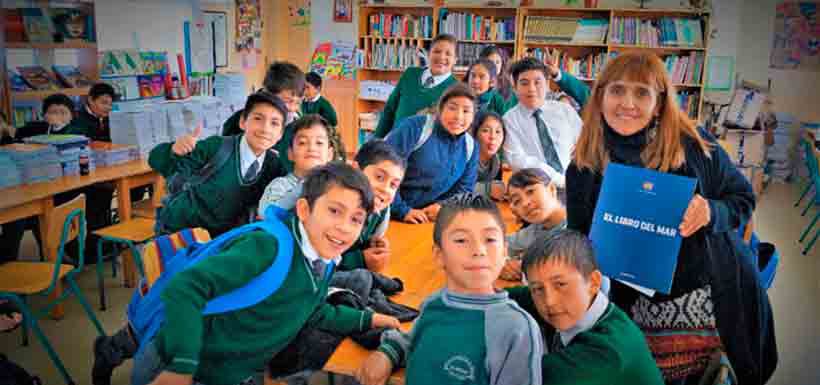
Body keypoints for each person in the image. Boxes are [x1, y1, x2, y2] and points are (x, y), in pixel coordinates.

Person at [566, 52, 777, 385]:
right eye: (617, 90)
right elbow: (577, 238)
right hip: (631, 304)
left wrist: (711, 211)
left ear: (660, 103)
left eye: (642, 93)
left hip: (709, 298)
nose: (627, 103)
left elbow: (742, 198)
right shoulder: (584, 163)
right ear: (601, 95)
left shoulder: (695, 145)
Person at [129, 163, 401, 385]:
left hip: (231, 372)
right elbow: (185, 287)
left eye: (356, 219)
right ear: (304, 210)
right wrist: (181, 367)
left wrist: (369, 319)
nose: (344, 227)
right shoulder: (268, 247)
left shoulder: (323, 258)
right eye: (334, 211)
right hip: (178, 365)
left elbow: (314, 312)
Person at [355, 193, 543, 385]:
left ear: (504, 252)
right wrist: (387, 354)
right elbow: (414, 339)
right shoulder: (433, 305)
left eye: (490, 239)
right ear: (439, 255)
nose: (479, 250)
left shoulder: (516, 329)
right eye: (461, 240)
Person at [506, 229, 664, 385]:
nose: (549, 301)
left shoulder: (608, 350)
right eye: (538, 289)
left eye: (560, 284)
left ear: (594, 282)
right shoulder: (578, 306)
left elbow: (518, 378)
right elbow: (505, 296)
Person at [149, 91, 288, 236]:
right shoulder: (217, 147)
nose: (265, 129)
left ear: (280, 134)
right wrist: (174, 150)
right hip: (182, 233)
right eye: (258, 118)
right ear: (242, 122)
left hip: (222, 240)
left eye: (274, 123)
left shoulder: (274, 165)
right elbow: (156, 160)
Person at [385, 83, 478, 224]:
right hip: (388, 213)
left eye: (466, 111)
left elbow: (465, 188)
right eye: (452, 108)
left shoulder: (471, 146)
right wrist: (402, 210)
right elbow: (384, 169)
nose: (458, 117)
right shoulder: (415, 128)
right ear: (440, 108)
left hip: (428, 219)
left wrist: (443, 207)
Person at [503, 57, 582, 188]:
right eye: (524, 83)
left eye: (537, 82)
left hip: (576, 185)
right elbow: (519, 161)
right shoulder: (509, 121)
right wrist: (561, 181)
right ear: (515, 88)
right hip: (537, 190)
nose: (531, 89)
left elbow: (584, 145)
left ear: (547, 84)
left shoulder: (565, 111)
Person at [373, 34, 458, 138]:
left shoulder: (455, 89)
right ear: (428, 54)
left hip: (424, 150)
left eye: (448, 54)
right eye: (437, 51)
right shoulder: (410, 74)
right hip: (394, 142)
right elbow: (390, 109)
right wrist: (376, 140)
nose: (441, 57)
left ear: (455, 60)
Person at [340, 139, 406, 272]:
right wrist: (360, 260)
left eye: (393, 185)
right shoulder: (336, 206)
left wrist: (371, 246)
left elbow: (355, 244)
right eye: (379, 177)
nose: (385, 189)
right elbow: (318, 261)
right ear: (355, 171)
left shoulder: (380, 211)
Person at [257, 114, 334, 217]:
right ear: (291, 154)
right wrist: (307, 184)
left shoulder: (334, 187)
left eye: (319, 143)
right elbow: (265, 213)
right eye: (302, 143)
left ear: (329, 154)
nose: (311, 148)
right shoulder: (280, 185)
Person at [502, 168, 567, 282]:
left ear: (551, 189)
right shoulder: (536, 229)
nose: (526, 203)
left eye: (530, 191)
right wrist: (503, 262)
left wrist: (523, 270)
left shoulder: (579, 226)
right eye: (517, 201)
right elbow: (499, 244)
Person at [221, 61, 305, 137]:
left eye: (297, 103)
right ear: (268, 94)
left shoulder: (298, 125)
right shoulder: (238, 122)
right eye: (287, 101)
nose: (292, 108)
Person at [301, 71, 346, 162]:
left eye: (308, 88)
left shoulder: (324, 105)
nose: (305, 91)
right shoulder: (304, 102)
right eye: (303, 88)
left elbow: (334, 121)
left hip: (326, 134)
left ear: (318, 89)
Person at [470, 111, 506, 201]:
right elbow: (455, 189)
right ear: (474, 134)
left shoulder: (495, 161)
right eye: (486, 130)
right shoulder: (465, 159)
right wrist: (487, 189)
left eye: (498, 131)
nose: (493, 137)